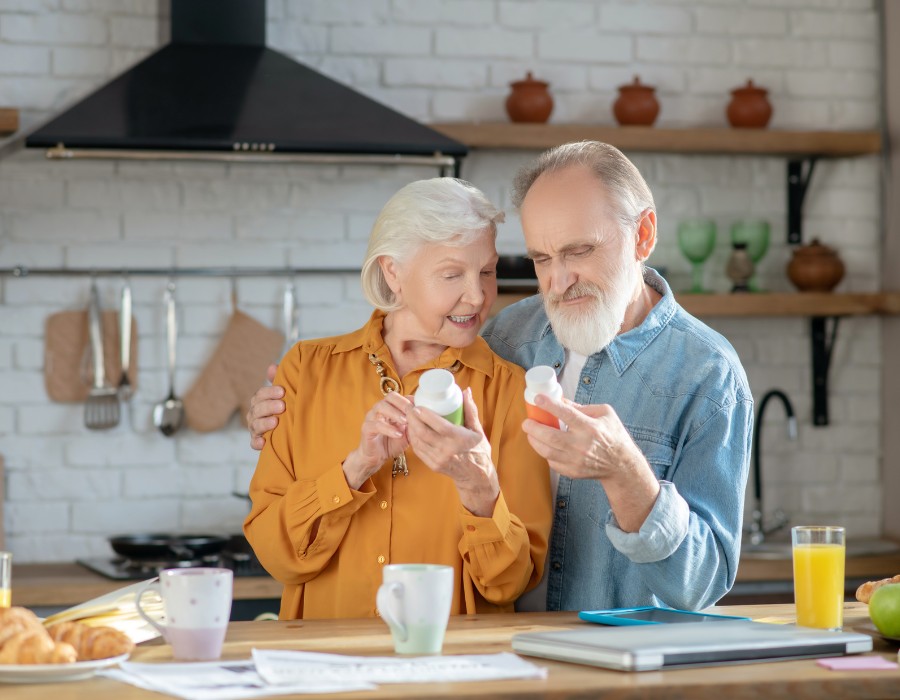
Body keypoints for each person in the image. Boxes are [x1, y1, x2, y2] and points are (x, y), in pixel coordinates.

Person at [247, 142, 753, 613]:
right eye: (540, 258)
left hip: (626, 665)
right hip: (518, 662)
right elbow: (407, 348)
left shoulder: (709, 375)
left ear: (642, 235)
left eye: (578, 251)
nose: (557, 280)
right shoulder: (507, 336)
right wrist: (290, 407)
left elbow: (703, 582)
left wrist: (626, 473)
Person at [243, 177, 552, 620]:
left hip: (451, 673)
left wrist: (478, 490)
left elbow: (509, 583)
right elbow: (276, 556)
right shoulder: (306, 370)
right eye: (452, 274)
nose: (479, 294)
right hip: (327, 669)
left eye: (487, 270)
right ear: (394, 273)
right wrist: (355, 470)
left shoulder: (508, 392)